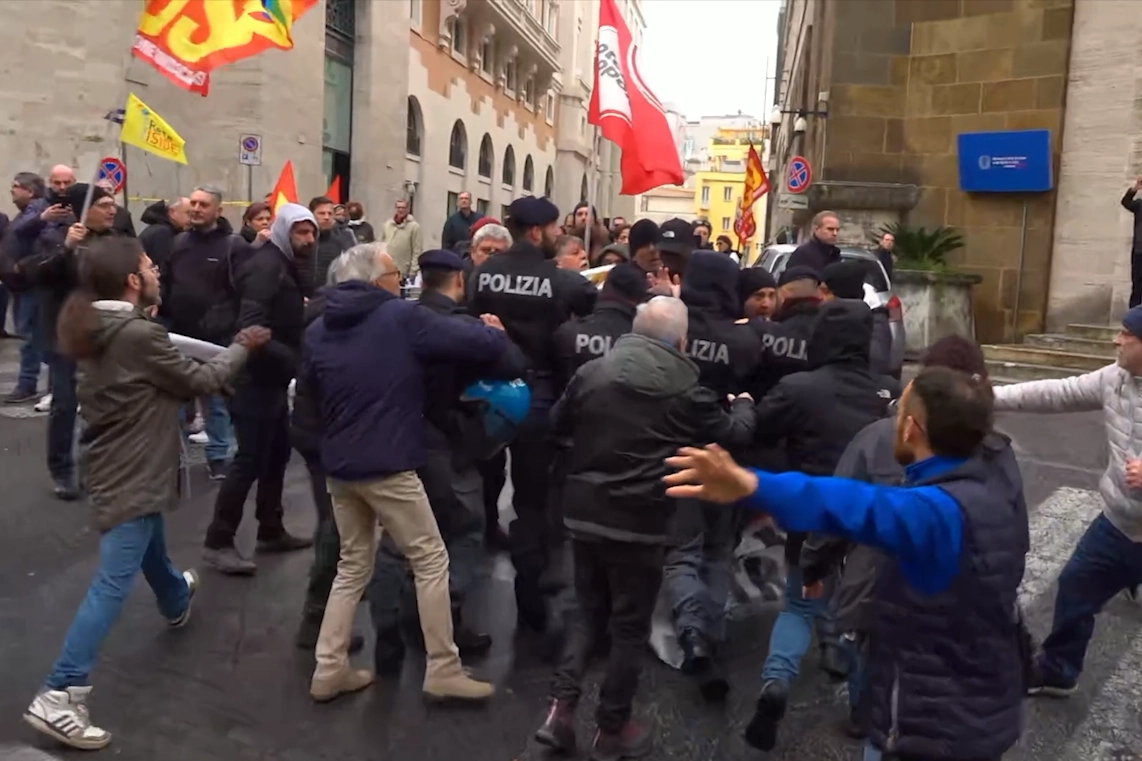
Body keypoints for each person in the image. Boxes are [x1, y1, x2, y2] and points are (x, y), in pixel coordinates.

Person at [665, 365, 1028, 761]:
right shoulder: (993, 481)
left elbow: (851, 503)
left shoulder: (938, 511)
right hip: (986, 704)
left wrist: (753, 485)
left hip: (930, 726)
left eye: (900, 411)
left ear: (912, 430)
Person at [23, 236, 268, 751]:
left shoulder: (99, 323)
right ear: (133, 281)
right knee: (113, 581)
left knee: (149, 539)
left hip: (121, 461)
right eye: (149, 265)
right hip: (131, 469)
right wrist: (243, 345)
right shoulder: (136, 334)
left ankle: (176, 596)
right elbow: (200, 379)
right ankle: (60, 692)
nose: (157, 269)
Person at [535, 296, 757, 760]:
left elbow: (555, 426)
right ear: (682, 340)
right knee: (629, 627)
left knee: (586, 612)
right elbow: (733, 435)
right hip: (642, 521)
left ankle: (559, 713)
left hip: (585, 512)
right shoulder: (688, 388)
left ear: (635, 331)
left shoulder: (593, 372)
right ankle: (611, 728)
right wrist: (744, 406)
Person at [302, 243, 512, 704]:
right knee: (431, 558)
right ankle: (443, 667)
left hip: (339, 465)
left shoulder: (319, 327)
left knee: (352, 565)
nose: (404, 282)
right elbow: (475, 343)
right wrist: (495, 331)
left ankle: (328, 667)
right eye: (398, 275)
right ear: (379, 282)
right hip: (389, 462)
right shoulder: (399, 317)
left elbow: (309, 399)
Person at [798, 334, 995, 740]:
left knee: (872, 655)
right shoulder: (995, 451)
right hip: (956, 592)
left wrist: (812, 565)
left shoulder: (880, 437)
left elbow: (836, 513)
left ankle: (865, 714)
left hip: (878, 584)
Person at [369, 248, 527, 675]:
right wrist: (498, 332)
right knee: (464, 533)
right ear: (459, 280)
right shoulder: (460, 327)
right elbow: (514, 365)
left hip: (394, 442)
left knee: (397, 539)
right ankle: (442, 622)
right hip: (444, 447)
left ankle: (387, 630)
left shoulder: (394, 319)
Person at [745, 299, 892, 751]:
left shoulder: (798, 387)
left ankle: (776, 686)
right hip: (868, 519)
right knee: (861, 619)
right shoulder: (887, 391)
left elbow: (759, 431)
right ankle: (861, 711)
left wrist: (746, 405)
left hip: (811, 515)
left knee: (799, 606)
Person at [992, 304, 1142, 697]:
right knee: (1077, 583)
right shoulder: (1115, 378)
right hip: (1120, 523)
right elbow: (1055, 393)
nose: (1117, 339)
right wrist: (986, 397)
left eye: (1127, 335)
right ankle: (1060, 668)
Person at [467, 196, 597, 634]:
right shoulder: (561, 281)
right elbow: (596, 311)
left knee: (479, 485)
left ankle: (460, 596)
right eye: (557, 229)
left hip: (486, 395)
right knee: (531, 504)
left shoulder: (483, 274)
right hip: (539, 398)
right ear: (538, 232)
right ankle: (530, 603)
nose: (560, 236)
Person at [665, 250, 763, 700]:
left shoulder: (674, 329)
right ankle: (715, 631)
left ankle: (692, 633)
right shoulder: (743, 341)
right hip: (726, 453)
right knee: (719, 549)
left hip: (677, 451)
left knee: (683, 551)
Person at [202, 203, 314, 575]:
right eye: (301, 232)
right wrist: (294, 360)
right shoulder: (267, 268)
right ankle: (218, 540)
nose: (309, 239)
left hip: (272, 381)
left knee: (277, 453)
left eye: (311, 232)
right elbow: (251, 331)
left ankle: (270, 526)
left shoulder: (284, 265)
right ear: (284, 231)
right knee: (248, 460)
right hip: (253, 380)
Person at [20, 184, 123, 500]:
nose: (112, 210)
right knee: (65, 404)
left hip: (103, 333)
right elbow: (35, 273)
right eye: (104, 205)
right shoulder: (56, 236)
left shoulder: (112, 241)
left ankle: (96, 466)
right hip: (65, 334)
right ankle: (62, 471)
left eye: (112, 205)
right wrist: (65, 248)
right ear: (85, 208)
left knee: (102, 403)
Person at [159, 186, 242, 481]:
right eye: (192, 203)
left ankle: (219, 456)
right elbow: (166, 280)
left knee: (216, 402)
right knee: (178, 400)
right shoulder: (179, 242)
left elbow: (240, 292)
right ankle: (175, 457)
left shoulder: (233, 245)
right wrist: (161, 306)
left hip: (214, 340)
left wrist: (223, 320)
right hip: (179, 335)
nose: (195, 209)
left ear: (218, 211)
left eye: (203, 205)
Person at [553, 264, 648, 392]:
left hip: (572, 407)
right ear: (640, 298)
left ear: (606, 288)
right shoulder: (642, 342)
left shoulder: (567, 332)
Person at [1, 171, 50, 404]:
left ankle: (28, 384)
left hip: (30, 285)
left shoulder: (38, 210)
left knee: (32, 338)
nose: (12, 190)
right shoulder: (27, 213)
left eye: (16, 186)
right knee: (32, 336)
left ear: (29, 191)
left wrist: (22, 266)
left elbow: (39, 244)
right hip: (22, 286)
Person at [819, 259, 895, 379]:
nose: (820, 297)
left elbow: (876, 364)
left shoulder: (875, 323)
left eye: (825, 291)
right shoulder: (825, 316)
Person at [308, 196, 357, 296]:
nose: (326, 217)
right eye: (321, 213)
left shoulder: (345, 237)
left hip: (336, 297)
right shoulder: (303, 238)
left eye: (330, 213)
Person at [137, 197, 189, 270]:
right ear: (172, 212)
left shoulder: (162, 229)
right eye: (188, 213)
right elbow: (164, 268)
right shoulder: (163, 233)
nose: (191, 218)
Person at [381, 198, 423, 282]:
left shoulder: (414, 227)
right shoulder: (387, 225)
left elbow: (417, 250)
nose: (400, 210)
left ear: (407, 209)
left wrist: (413, 270)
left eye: (403, 208)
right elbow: (381, 245)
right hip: (387, 270)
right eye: (398, 207)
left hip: (403, 272)